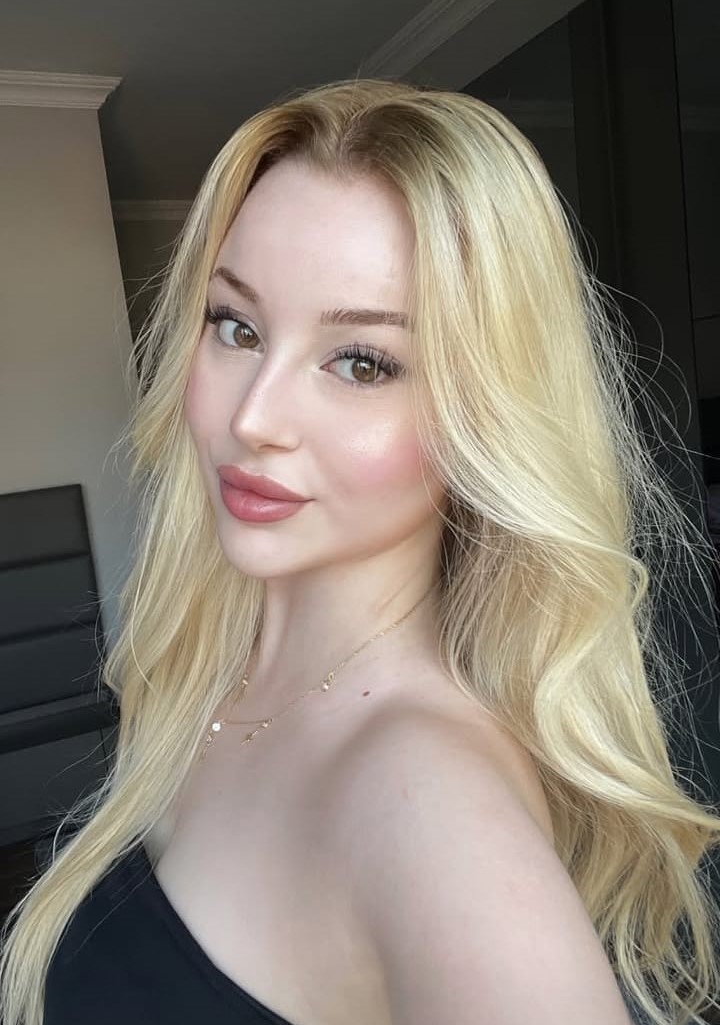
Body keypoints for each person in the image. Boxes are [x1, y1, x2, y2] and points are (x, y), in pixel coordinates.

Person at [1, 76, 719, 1025]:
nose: (254, 418)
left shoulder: (435, 815)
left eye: (363, 361)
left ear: (486, 418)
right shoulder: (201, 668)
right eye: (236, 326)